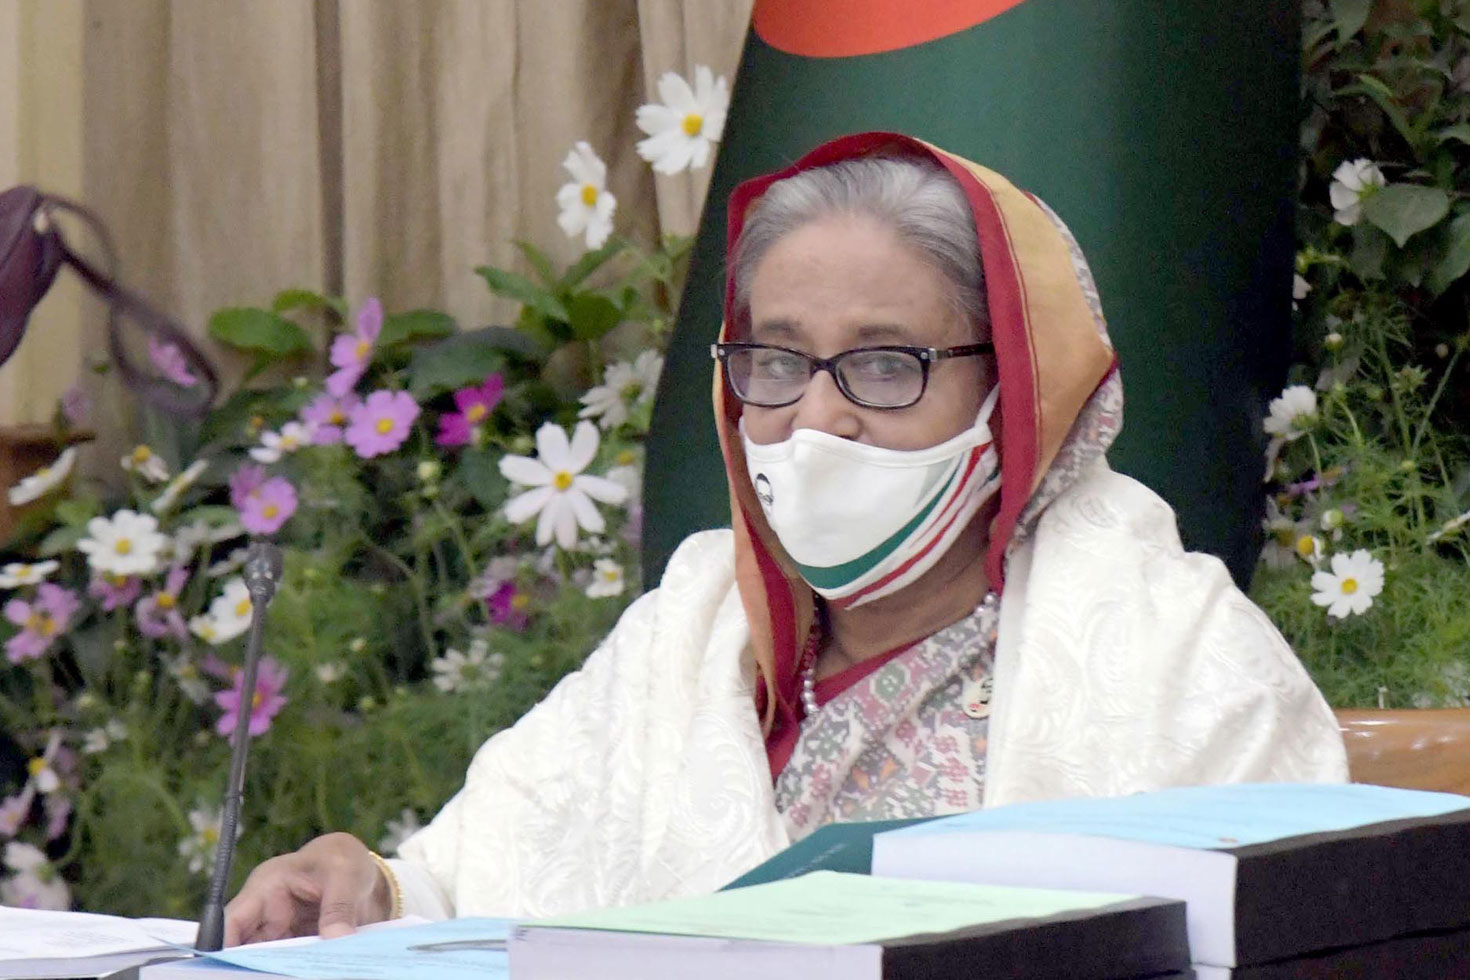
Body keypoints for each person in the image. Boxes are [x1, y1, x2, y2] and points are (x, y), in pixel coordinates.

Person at [223, 132, 1348, 944]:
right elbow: (467, 889)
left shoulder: (1172, 656)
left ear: (1017, 393)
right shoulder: (692, 632)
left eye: (884, 363)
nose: (817, 419)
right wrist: (365, 885)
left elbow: (1293, 939)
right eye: (776, 361)